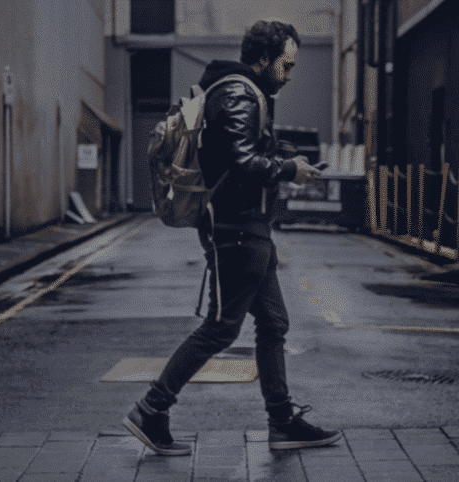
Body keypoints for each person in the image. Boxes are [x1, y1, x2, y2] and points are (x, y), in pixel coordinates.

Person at [123, 20, 341, 455]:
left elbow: (241, 151)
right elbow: (242, 162)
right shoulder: (239, 93)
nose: (289, 74)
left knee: (274, 323)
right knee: (221, 328)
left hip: (249, 228)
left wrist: (284, 157)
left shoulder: (238, 91)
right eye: (286, 64)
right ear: (263, 59)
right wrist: (287, 169)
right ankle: (151, 409)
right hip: (237, 229)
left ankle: (282, 422)